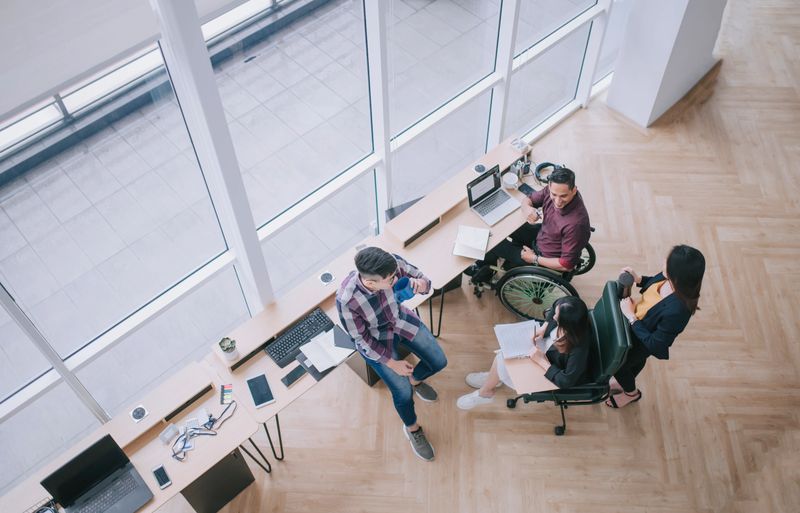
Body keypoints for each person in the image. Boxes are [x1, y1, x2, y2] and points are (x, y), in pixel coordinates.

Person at [336, 247, 447, 461]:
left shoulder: (391, 264)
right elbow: (360, 340)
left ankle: (415, 379)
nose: (396, 279)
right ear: (371, 283)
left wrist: (423, 285)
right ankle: (413, 429)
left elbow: (423, 279)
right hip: (377, 342)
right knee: (402, 393)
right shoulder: (347, 300)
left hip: (400, 320)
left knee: (439, 361)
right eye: (389, 279)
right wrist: (391, 363)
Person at [607, 244, 706, 408]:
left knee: (619, 365)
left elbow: (656, 344)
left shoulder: (678, 311)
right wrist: (638, 279)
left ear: (678, 275)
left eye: (668, 262)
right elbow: (652, 286)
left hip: (642, 339)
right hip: (636, 324)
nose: (664, 262)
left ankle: (631, 394)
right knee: (630, 364)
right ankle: (624, 381)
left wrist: (632, 317)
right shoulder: (669, 278)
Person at [456, 296, 591, 410]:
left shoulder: (578, 349)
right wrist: (544, 327)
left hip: (550, 369)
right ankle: (494, 378)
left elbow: (566, 381)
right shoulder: (571, 314)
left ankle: (486, 392)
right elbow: (556, 304)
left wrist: (541, 361)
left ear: (567, 324)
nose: (553, 316)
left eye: (557, 317)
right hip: (544, 351)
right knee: (505, 353)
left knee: (502, 358)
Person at [464, 167, 591, 283]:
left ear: (574, 190)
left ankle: (484, 270)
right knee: (502, 226)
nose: (557, 201)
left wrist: (534, 258)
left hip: (544, 257)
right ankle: (488, 262)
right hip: (543, 235)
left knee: (493, 243)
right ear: (550, 186)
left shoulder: (576, 225)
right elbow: (528, 200)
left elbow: (566, 265)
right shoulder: (553, 189)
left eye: (563, 196)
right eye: (554, 195)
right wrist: (527, 209)